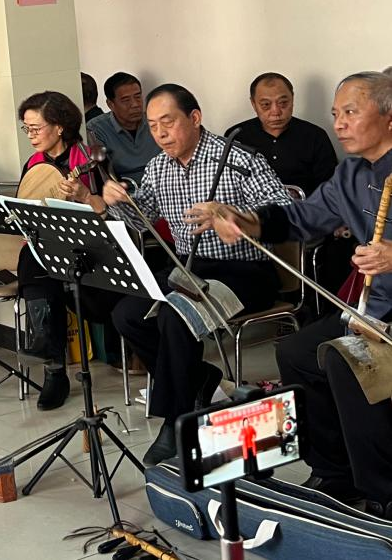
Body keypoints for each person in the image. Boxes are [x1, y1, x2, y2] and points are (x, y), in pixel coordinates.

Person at [65, 84, 292, 464]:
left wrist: (235, 215)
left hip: (245, 269)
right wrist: (103, 201)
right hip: (188, 265)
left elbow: (285, 210)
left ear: (195, 118)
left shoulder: (237, 159)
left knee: (174, 315)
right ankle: (198, 378)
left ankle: (177, 419)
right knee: (127, 314)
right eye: (153, 126)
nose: (160, 134)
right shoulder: (159, 166)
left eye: (167, 122)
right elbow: (142, 220)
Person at [200, 71, 392, 511]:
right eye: (335, 113)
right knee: (297, 351)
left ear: (389, 117)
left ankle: (383, 494)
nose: (338, 123)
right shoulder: (350, 173)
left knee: (345, 360)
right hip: (375, 309)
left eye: (350, 112)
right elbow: (301, 218)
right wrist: (245, 220)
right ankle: (334, 473)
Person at [13, 91, 105, 410]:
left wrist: (84, 196)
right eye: (26, 129)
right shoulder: (33, 164)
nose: (30, 135)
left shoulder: (90, 158)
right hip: (48, 247)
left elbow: (110, 211)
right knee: (33, 259)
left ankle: (51, 361)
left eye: (36, 128)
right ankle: (53, 366)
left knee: (40, 267)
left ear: (60, 126)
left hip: (88, 246)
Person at [227, 73, 338, 195]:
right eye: (266, 105)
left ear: (292, 99)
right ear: (253, 104)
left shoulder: (315, 136)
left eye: (283, 103)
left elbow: (330, 189)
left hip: (306, 205)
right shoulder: (237, 136)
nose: (276, 112)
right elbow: (228, 187)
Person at [87, 72, 160, 185]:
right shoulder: (96, 129)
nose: (135, 104)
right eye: (126, 100)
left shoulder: (155, 121)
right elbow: (101, 172)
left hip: (158, 186)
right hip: (124, 189)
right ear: (110, 104)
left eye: (138, 97)